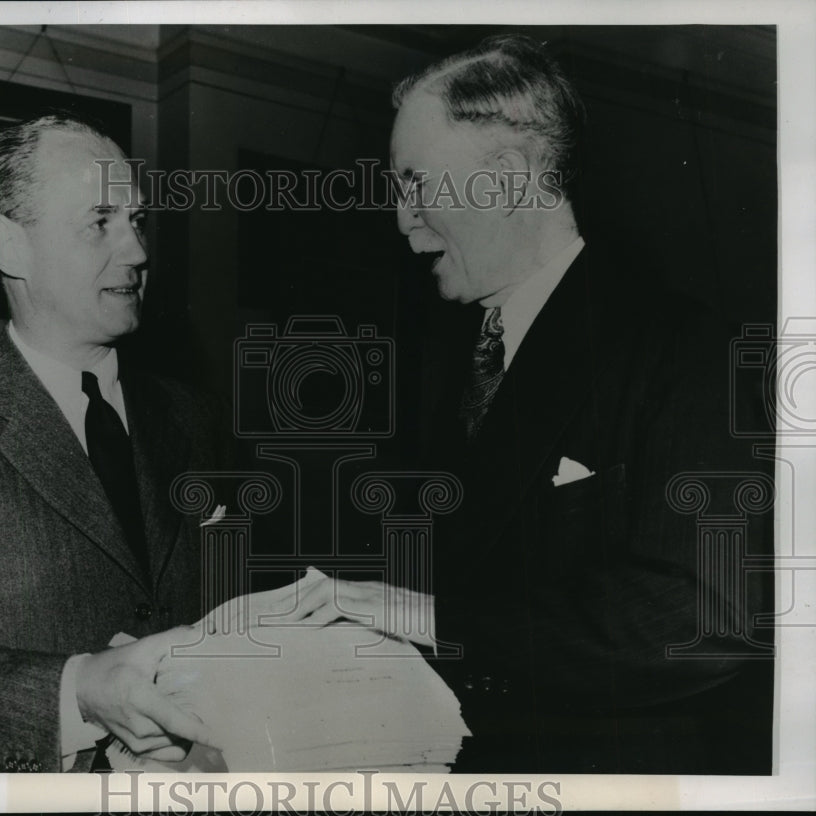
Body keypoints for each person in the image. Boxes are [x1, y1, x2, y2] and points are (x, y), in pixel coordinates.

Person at [290, 35, 773, 773]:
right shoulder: (446, 359)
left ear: (507, 177)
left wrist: (431, 619)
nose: (402, 218)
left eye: (417, 183)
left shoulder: (683, 348)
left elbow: (704, 618)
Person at [0, 114, 226, 772]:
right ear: (10, 248)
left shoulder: (192, 415)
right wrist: (82, 691)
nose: (137, 251)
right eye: (100, 222)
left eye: (137, 221)